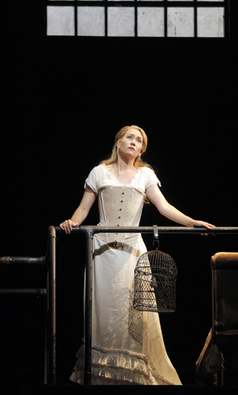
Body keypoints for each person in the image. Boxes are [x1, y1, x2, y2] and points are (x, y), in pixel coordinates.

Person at [60, 125, 214, 385]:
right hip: (102, 253)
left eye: (139, 140)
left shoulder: (145, 174)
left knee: (131, 311)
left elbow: (164, 207)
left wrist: (192, 222)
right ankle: (100, 377)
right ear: (118, 142)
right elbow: (82, 209)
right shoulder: (99, 172)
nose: (134, 142)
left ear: (142, 149)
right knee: (103, 314)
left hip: (131, 253)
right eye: (129, 137)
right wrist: (71, 222)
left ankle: (133, 378)